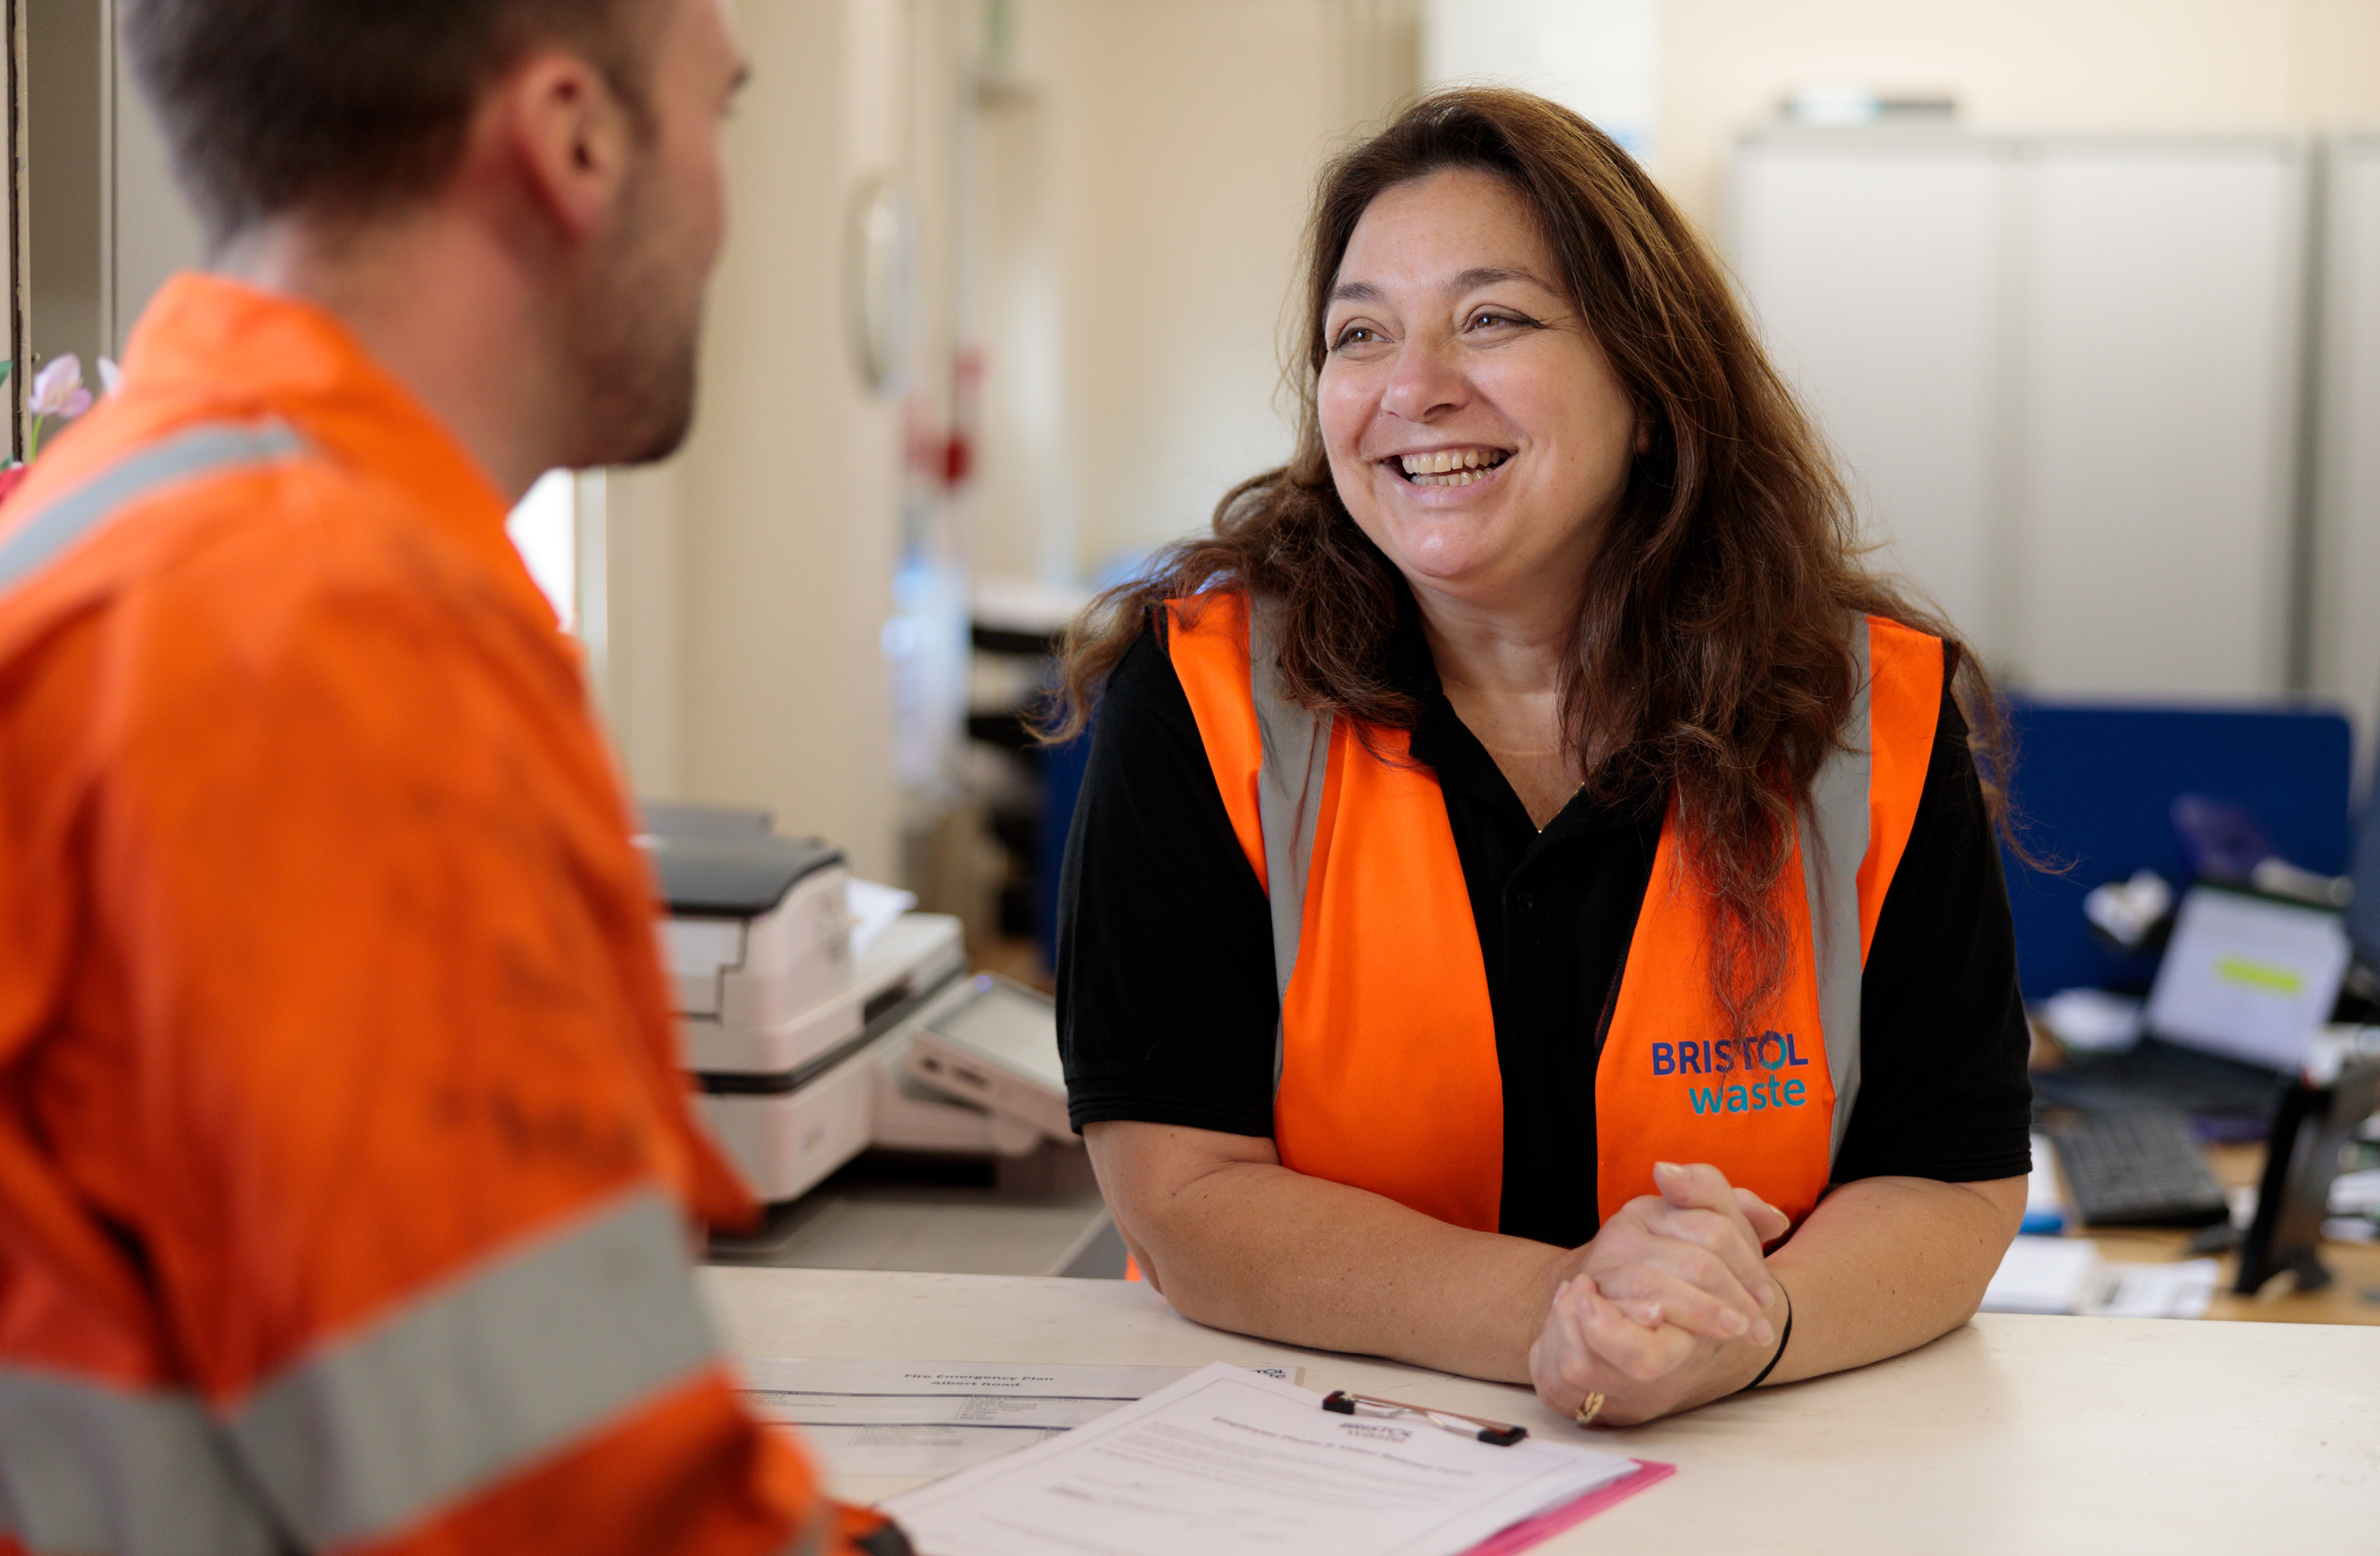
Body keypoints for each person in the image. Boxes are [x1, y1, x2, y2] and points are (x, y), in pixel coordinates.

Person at [0, 2, 904, 1551]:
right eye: (720, 113)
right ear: (572, 140)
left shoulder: (117, 504)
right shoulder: (321, 629)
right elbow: (563, 1505)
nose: (720, 205)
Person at [1052, 88, 2033, 1428]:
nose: (1412, 388)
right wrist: (1567, 1315)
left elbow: (1950, 1178)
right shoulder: (1205, 695)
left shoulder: (1865, 714)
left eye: (1492, 317)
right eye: (1359, 335)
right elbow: (1179, 1193)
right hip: (1301, 1472)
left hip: (1749, 1474)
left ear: (1648, 385)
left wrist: (1745, 1332)